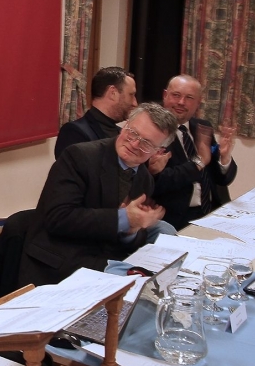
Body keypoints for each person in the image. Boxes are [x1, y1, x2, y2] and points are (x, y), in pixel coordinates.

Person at [19, 103, 178, 286]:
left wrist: (131, 231)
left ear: (157, 152)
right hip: (59, 264)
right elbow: (58, 218)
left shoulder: (144, 180)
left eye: (146, 143)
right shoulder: (79, 157)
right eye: (133, 133)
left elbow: (130, 242)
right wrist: (122, 219)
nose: (134, 144)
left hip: (103, 264)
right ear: (124, 126)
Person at [150, 74, 237, 230]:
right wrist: (198, 162)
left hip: (213, 212)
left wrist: (224, 157)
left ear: (198, 103)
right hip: (177, 218)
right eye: (176, 95)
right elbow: (158, 182)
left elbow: (222, 180)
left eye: (189, 98)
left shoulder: (202, 127)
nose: (181, 102)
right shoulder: (153, 131)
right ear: (165, 95)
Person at [55, 67, 137, 159]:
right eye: (131, 95)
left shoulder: (121, 133)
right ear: (113, 93)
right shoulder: (73, 132)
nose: (135, 103)